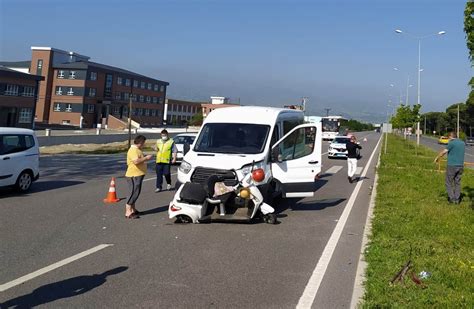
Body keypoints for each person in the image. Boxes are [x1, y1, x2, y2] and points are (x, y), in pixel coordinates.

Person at [125, 135, 152, 219]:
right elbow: (136, 161)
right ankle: (128, 211)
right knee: (133, 192)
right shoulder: (133, 150)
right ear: (140, 143)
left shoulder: (137, 150)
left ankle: (133, 209)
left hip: (138, 174)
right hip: (133, 174)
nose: (144, 144)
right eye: (143, 143)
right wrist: (146, 158)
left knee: (136, 192)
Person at [434, 132, 465, 204]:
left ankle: (452, 199)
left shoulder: (452, 143)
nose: (448, 139)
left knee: (448, 182)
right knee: (457, 183)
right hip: (460, 165)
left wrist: (437, 158)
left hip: (452, 165)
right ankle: (457, 199)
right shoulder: (462, 143)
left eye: (448, 138)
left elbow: (444, 152)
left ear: (451, 137)